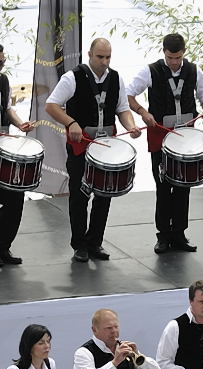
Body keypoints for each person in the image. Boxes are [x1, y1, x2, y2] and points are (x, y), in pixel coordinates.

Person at [45, 38, 142, 263]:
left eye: (108, 57)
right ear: (89, 54)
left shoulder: (116, 78)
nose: (105, 62)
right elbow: (51, 105)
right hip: (81, 147)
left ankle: (95, 242)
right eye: (100, 57)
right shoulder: (72, 77)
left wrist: (131, 126)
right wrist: (71, 123)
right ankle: (79, 244)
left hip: (107, 147)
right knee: (79, 196)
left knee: (104, 194)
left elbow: (123, 109)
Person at [126, 33, 203, 254]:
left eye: (178, 57)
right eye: (170, 57)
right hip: (160, 137)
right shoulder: (151, 70)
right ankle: (163, 235)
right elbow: (127, 95)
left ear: (184, 52)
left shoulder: (194, 70)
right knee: (163, 187)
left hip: (186, 139)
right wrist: (143, 112)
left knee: (184, 186)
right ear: (163, 52)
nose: (174, 62)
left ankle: (180, 234)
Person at [0, 44, 34, 266]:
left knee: (15, 195)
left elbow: (7, 109)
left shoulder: (2, 80)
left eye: (3, 60)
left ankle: (3, 246)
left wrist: (20, 122)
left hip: (4, 148)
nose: (2, 64)